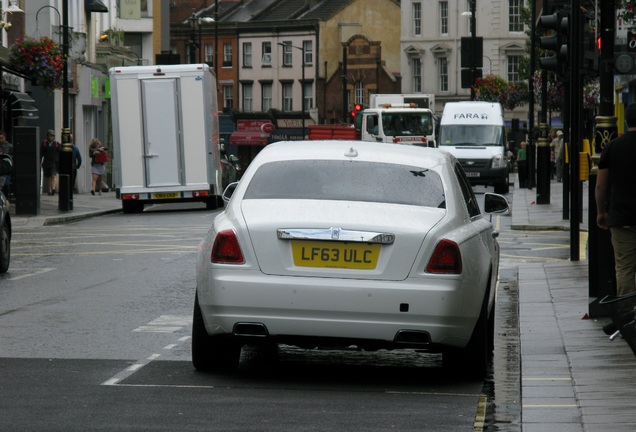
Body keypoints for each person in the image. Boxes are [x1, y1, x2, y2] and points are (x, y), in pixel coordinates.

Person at [595, 103, 636, 297]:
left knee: (625, 268)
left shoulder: (613, 146)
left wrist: (601, 211)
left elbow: (601, 186)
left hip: (621, 217)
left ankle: (628, 317)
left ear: (626, 122)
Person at [41, 129, 60, 196]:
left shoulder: (56, 144)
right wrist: (40, 161)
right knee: (48, 177)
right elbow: (41, 152)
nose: (51, 137)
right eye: (50, 136)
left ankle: (53, 188)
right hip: (46, 162)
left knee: (53, 175)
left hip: (53, 162)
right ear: (47, 136)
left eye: (52, 136)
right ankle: (49, 189)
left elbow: (59, 152)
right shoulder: (44, 143)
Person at [0, 131, 13, 198]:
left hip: (6, 168)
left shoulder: (9, 146)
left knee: (6, 184)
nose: (0, 140)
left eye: (2, 138)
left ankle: (7, 197)